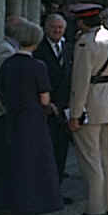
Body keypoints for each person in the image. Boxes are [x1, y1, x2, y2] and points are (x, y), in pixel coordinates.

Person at [0, 19, 63, 215]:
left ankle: (14, 208)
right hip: (32, 120)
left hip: (13, 117)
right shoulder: (37, 66)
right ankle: (24, 212)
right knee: (31, 165)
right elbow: (44, 98)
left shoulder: (8, 63)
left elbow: (1, 90)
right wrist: (50, 108)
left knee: (15, 163)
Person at [67, 3, 108, 215]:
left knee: (91, 159)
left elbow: (80, 81)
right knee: (106, 157)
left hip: (91, 101)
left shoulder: (84, 42)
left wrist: (75, 113)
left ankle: (95, 209)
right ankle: (107, 205)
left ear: (81, 22)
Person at [33, 14, 73, 197]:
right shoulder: (38, 49)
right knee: (44, 151)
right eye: (53, 27)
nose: (57, 31)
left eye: (60, 28)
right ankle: (44, 190)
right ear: (45, 28)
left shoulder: (68, 48)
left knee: (61, 150)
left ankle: (56, 189)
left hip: (64, 108)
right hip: (45, 108)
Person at [0, 16, 23, 215]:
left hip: (6, 111)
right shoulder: (4, 49)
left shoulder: (11, 47)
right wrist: (9, 109)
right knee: (2, 157)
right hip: (3, 112)